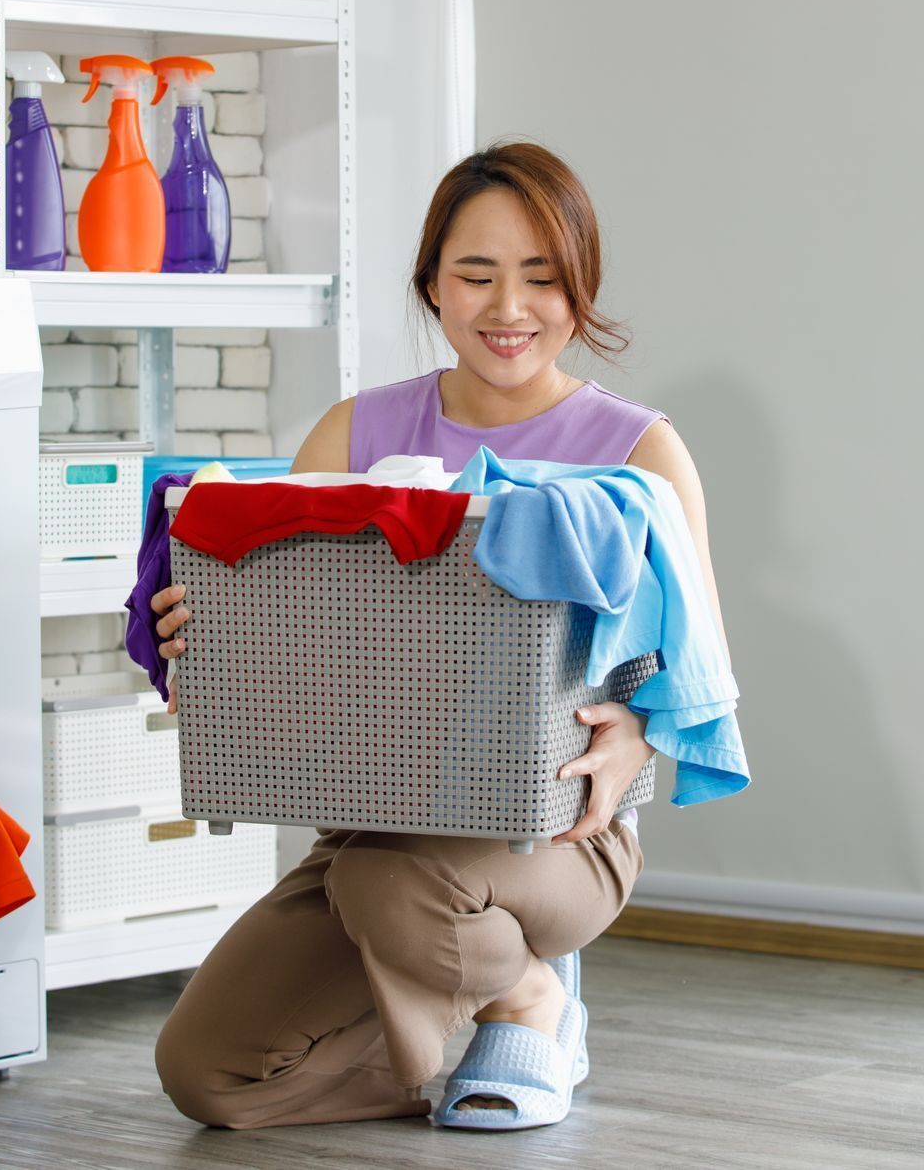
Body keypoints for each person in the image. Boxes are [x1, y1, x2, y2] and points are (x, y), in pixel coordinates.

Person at [150, 142, 731, 1131]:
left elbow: (701, 665)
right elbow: (295, 647)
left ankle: (532, 997)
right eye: (476, 274)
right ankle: (461, 1035)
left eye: (542, 278)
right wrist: (204, 637)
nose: (509, 307)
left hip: (557, 830)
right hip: (373, 827)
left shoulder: (638, 450)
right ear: (432, 283)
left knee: (391, 883)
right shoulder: (352, 434)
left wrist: (636, 735)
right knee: (207, 1075)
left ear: (578, 285)